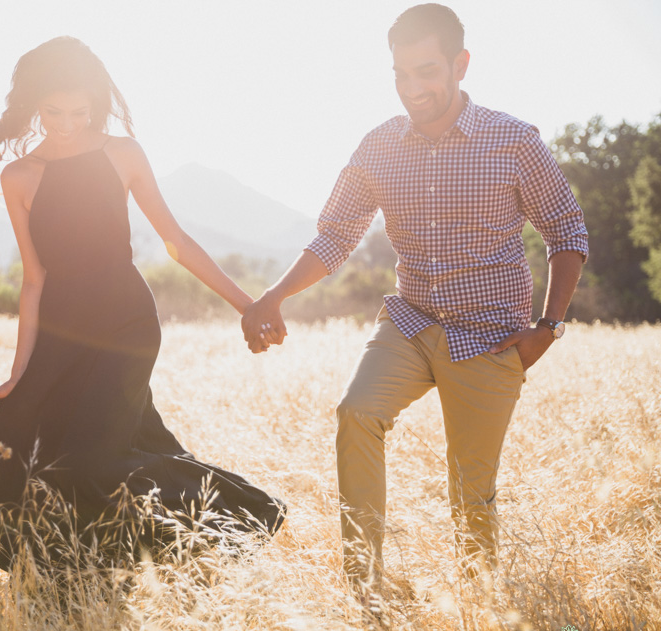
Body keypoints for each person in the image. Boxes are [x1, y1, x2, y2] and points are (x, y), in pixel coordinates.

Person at [242, 3, 588, 595]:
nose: (412, 88)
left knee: (470, 491)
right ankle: (365, 587)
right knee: (356, 413)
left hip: (489, 334)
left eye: (426, 71)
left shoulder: (513, 140)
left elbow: (568, 233)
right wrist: (274, 295)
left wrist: (547, 327)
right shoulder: (378, 146)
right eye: (401, 74)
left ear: (461, 64)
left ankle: (483, 613)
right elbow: (335, 235)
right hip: (410, 319)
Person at [0, 36, 285, 573]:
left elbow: (177, 242)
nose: (68, 123)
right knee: (17, 425)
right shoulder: (20, 176)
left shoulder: (122, 154)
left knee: (93, 457)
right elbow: (34, 279)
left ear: (96, 101)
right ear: (32, 103)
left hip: (124, 319)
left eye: (80, 111)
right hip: (61, 324)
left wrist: (246, 303)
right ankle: (59, 569)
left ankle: (238, 516)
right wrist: (19, 374)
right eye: (53, 111)